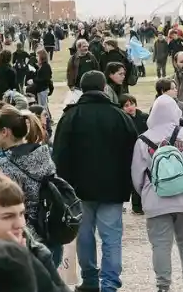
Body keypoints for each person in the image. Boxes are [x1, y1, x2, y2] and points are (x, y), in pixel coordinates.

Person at [52, 70, 137, 292]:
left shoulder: (71, 116)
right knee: (111, 236)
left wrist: (63, 187)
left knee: (85, 235)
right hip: (113, 187)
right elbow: (132, 153)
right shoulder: (120, 116)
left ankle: (90, 278)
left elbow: (60, 155)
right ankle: (109, 282)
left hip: (79, 189)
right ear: (103, 88)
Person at [130, 93, 183, 292]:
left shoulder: (143, 140)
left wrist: (145, 193)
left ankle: (163, 286)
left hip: (156, 200)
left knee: (161, 245)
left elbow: (136, 174)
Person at [0, 107, 60, 265]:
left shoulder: (5, 167)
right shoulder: (44, 155)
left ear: (5, 132)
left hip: (24, 239)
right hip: (49, 233)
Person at [120, 94, 148, 215]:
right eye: (126, 106)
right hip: (129, 153)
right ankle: (136, 206)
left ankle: (145, 203)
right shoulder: (121, 120)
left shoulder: (144, 117)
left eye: (132, 104)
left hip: (145, 151)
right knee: (134, 179)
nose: (130, 107)